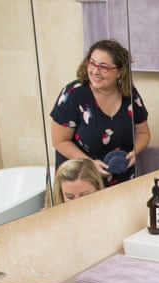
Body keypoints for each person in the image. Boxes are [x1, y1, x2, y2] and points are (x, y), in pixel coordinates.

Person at [50, 39, 151, 187]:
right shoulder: (73, 94)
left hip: (120, 177)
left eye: (103, 67)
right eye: (92, 63)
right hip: (81, 181)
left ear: (120, 71)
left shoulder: (129, 94)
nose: (95, 71)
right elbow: (60, 141)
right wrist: (89, 164)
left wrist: (135, 152)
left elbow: (143, 132)